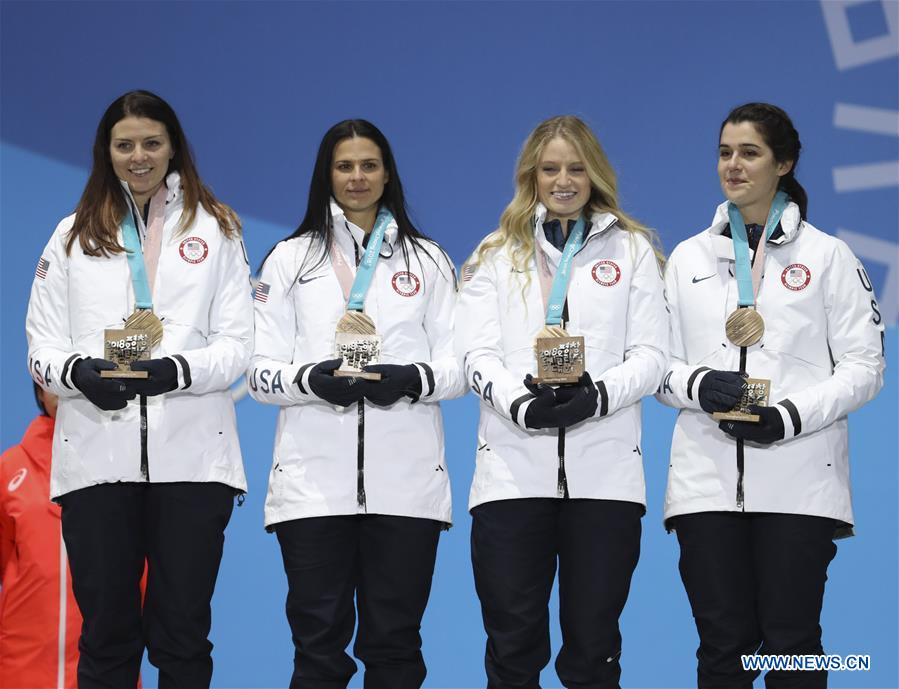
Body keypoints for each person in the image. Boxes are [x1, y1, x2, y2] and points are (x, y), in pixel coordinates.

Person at [25, 90, 253, 689]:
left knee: (182, 637)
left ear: (173, 146)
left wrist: (175, 371)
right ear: (107, 152)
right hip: (97, 462)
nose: (139, 156)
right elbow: (41, 348)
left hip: (194, 463)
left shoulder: (218, 228)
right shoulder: (71, 235)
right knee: (105, 636)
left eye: (152, 143)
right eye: (124, 145)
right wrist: (78, 374)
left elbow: (239, 347)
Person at [656, 102, 885, 688]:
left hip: (799, 481)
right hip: (705, 483)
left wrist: (787, 416)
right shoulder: (686, 258)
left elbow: (865, 367)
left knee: (791, 645)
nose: (733, 166)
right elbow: (656, 367)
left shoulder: (828, 256)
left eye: (750, 153)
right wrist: (700, 385)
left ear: (784, 163)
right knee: (722, 648)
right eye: (725, 152)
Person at [248, 119, 465, 689]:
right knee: (317, 650)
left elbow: (459, 367)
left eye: (369, 164)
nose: (357, 177)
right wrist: (313, 381)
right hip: (312, 491)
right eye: (344, 166)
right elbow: (258, 374)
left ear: (388, 173)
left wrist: (408, 379)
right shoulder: (288, 261)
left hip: (407, 489)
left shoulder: (428, 260)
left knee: (395, 647)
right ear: (327, 175)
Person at [456, 115, 668, 689]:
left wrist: (594, 398)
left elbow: (652, 356)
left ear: (595, 173)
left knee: (594, 650)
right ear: (531, 175)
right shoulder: (496, 252)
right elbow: (475, 355)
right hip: (510, 479)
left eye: (576, 167)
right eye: (550, 168)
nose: (564, 180)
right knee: (512, 648)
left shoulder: (633, 250)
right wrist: (520, 406)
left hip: (605, 483)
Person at [0, 384, 80, 688]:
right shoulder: (9, 469)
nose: (64, 392)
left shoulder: (124, 469)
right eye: (53, 384)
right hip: (20, 668)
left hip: (104, 666)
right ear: (38, 391)